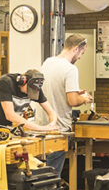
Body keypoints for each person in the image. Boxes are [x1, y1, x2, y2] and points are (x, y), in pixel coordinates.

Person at [36, 34, 94, 175]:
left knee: (39, 176)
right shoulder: (70, 69)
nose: (80, 57)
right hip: (59, 130)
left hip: (41, 127)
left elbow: (53, 89)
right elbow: (72, 101)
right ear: (75, 49)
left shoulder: (48, 62)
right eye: (82, 53)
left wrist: (75, 93)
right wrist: (84, 98)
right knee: (51, 178)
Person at [0, 68, 59, 133]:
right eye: (29, 89)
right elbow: (10, 115)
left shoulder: (35, 88)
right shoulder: (5, 83)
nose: (30, 93)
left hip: (2, 127)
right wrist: (41, 128)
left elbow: (51, 112)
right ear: (22, 81)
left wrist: (52, 125)